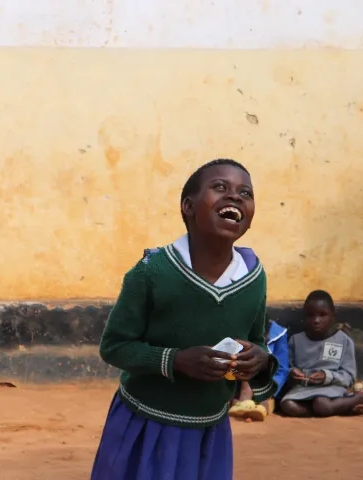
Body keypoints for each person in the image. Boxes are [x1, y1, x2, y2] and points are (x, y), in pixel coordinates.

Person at [91, 159, 279, 480]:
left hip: (210, 431)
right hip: (146, 425)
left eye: (245, 193)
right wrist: (176, 360)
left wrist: (258, 361)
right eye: (220, 187)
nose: (235, 196)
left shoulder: (253, 278)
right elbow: (115, 347)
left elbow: (256, 342)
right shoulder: (151, 272)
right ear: (188, 206)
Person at [278, 290, 363, 417]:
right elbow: (287, 368)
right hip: (302, 390)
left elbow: (349, 377)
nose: (316, 320)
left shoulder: (343, 341)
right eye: (310, 315)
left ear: (333, 316)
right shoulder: (295, 340)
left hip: (331, 388)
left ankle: (359, 398)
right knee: (287, 405)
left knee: (321, 404)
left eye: (322, 315)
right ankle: (341, 408)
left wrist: (326, 376)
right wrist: (293, 373)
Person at [229, 317, 289, 422]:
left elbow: (282, 369)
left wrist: (269, 389)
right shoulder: (236, 332)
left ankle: (257, 403)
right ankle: (243, 402)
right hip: (240, 382)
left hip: (267, 381)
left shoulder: (279, 334)